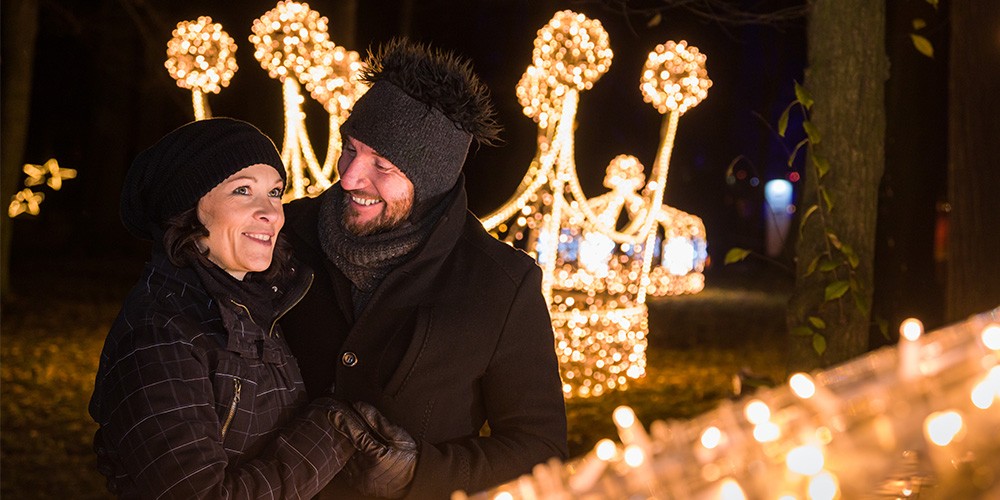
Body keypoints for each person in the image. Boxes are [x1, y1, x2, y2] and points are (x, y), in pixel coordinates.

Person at [280, 39, 569, 499]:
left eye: (383, 164)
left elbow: (540, 448)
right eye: (350, 149)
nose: (350, 177)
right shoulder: (286, 236)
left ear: (430, 182)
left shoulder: (500, 285)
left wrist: (422, 472)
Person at [88, 117, 416, 498]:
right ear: (189, 208)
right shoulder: (161, 336)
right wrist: (334, 431)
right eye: (243, 190)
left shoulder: (256, 307)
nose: (272, 213)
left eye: (275, 193)